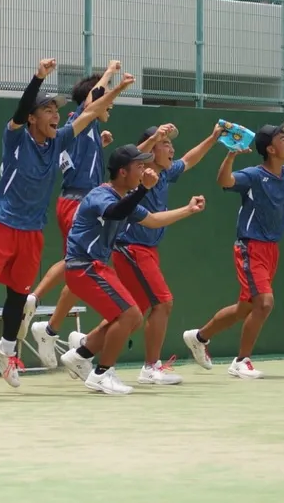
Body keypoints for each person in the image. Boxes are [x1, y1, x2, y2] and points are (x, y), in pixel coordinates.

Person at [0, 58, 114, 387]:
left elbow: (90, 112)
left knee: (18, 297)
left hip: (32, 231)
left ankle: (7, 351)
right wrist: (37, 78)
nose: (55, 115)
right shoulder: (16, 139)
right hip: (3, 224)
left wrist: (117, 88)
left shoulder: (58, 142)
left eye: (56, 110)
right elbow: (21, 110)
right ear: (34, 118)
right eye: (48, 110)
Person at [182, 121, 284, 378]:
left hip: (271, 250)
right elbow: (224, 181)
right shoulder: (253, 175)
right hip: (250, 247)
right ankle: (241, 361)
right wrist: (230, 156)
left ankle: (199, 337)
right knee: (265, 303)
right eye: (283, 139)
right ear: (270, 149)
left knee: (245, 308)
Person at [55, 145, 206, 396]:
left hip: (96, 267)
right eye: (139, 166)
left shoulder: (125, 198)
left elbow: (153, 220)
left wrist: (188, 210)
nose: (145, 170)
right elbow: (115, 213)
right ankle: (102, 374)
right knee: (130, 315)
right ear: (123, 172)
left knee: (128, 316)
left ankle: (82, 355)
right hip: (84, 266)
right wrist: (145, 189)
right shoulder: (101, 195)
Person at [24, 63, 131, 363]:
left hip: (84, 201)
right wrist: (110, 74)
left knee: (80, 271)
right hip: (77, 201)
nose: (110, 103)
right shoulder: (77, 119)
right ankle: (33, 299)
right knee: (76, 263)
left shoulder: (92, 130)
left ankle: (50, 329)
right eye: (106, 98)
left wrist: (101, 141)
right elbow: (92, 101)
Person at [110, 121, 224, 386]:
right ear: (150, 152)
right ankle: (151, 367)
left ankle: (84, 348)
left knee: (132, 312)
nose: (171, 148)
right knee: (163, 302)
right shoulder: (139, 173)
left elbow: (189, 159)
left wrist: (213, 137)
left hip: (147, 249)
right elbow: (129, 156)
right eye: (165, 143)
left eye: (170, 143)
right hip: (133, 248)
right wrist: (152, 140)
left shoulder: (165, 173)